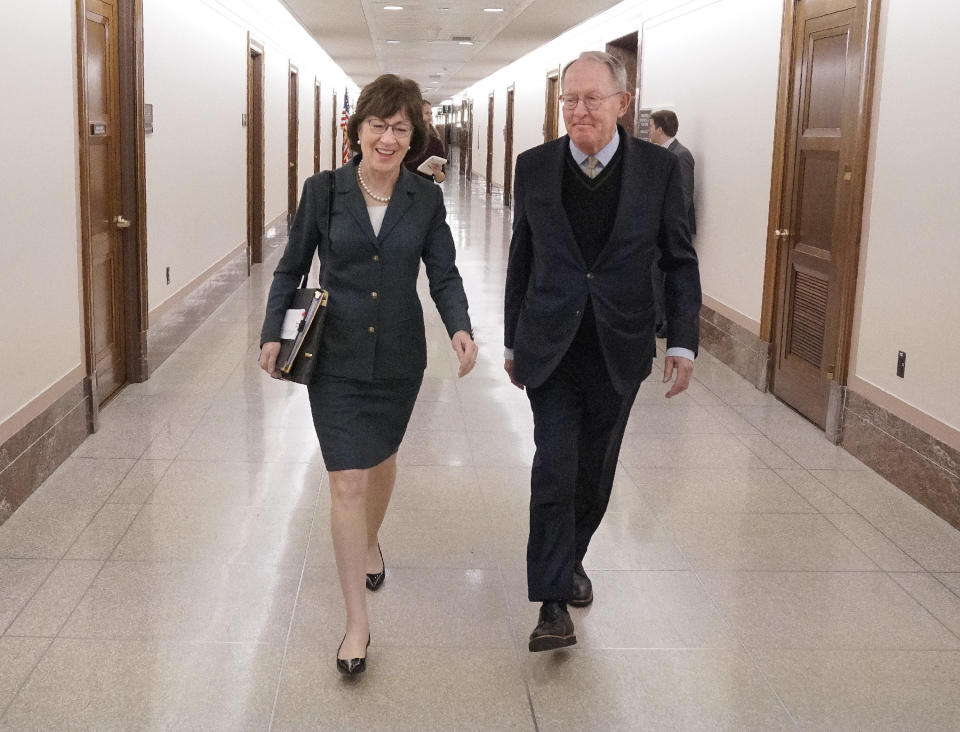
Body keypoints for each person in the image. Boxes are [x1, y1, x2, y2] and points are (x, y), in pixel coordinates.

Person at [259, 74, 478, 675]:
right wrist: (272, 332)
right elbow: (289, 269)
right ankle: (356, 622)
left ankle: (372, 538)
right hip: (336, 356)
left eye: (400, 127)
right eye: (377, 125)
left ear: (414, 136)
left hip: (401, 357)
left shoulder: (424, 198)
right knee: (346, 480)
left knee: (379, 463)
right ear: (357, 130)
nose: (388, 137)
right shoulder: (324, 191)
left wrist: (459, 325)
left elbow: (444, 273)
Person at [503, 51, 701, 652]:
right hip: (550, 344)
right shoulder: (534, 166)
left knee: (595, 470)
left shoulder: (658, 171)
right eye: (569, 100)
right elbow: (522, 255)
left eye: (592, 99)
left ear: (623, 102)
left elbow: (678, 258)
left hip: (620, 344)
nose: (579, 111)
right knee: (554, 465)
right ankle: (551, 601)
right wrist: (512, 337)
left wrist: (684, 340)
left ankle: (572, 558)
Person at [649, 109, 696, 338]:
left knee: (669, 277)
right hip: (658, 228)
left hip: (673, 230)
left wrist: (669, 226)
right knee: (655, 273)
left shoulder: (681, 155)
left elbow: (685, 195)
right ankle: (658, 319)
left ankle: (667, 322)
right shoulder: (660, 154)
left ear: (659, 129)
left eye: (650, 127)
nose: (648, 131)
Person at [405, 99, 446, 182]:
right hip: (403, 190)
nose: (430, 117)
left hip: (426, 191)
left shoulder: (435, 143)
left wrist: (437, 172)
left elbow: (440, 179)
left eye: (431, 113)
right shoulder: (405, 139)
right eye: (426, 113)